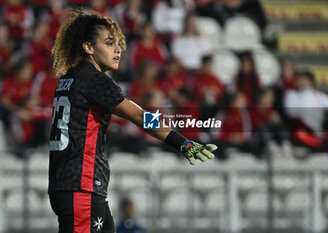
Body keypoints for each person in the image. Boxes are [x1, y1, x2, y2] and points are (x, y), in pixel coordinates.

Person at [48, 9, 217, 233]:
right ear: (88, 47)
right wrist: (182, 143)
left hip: (69, 184)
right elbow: (140, 116)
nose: (118, 49)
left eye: (118, 43)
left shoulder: (67, 79)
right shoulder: (94, 80)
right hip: (82, 185)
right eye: (109, 43)